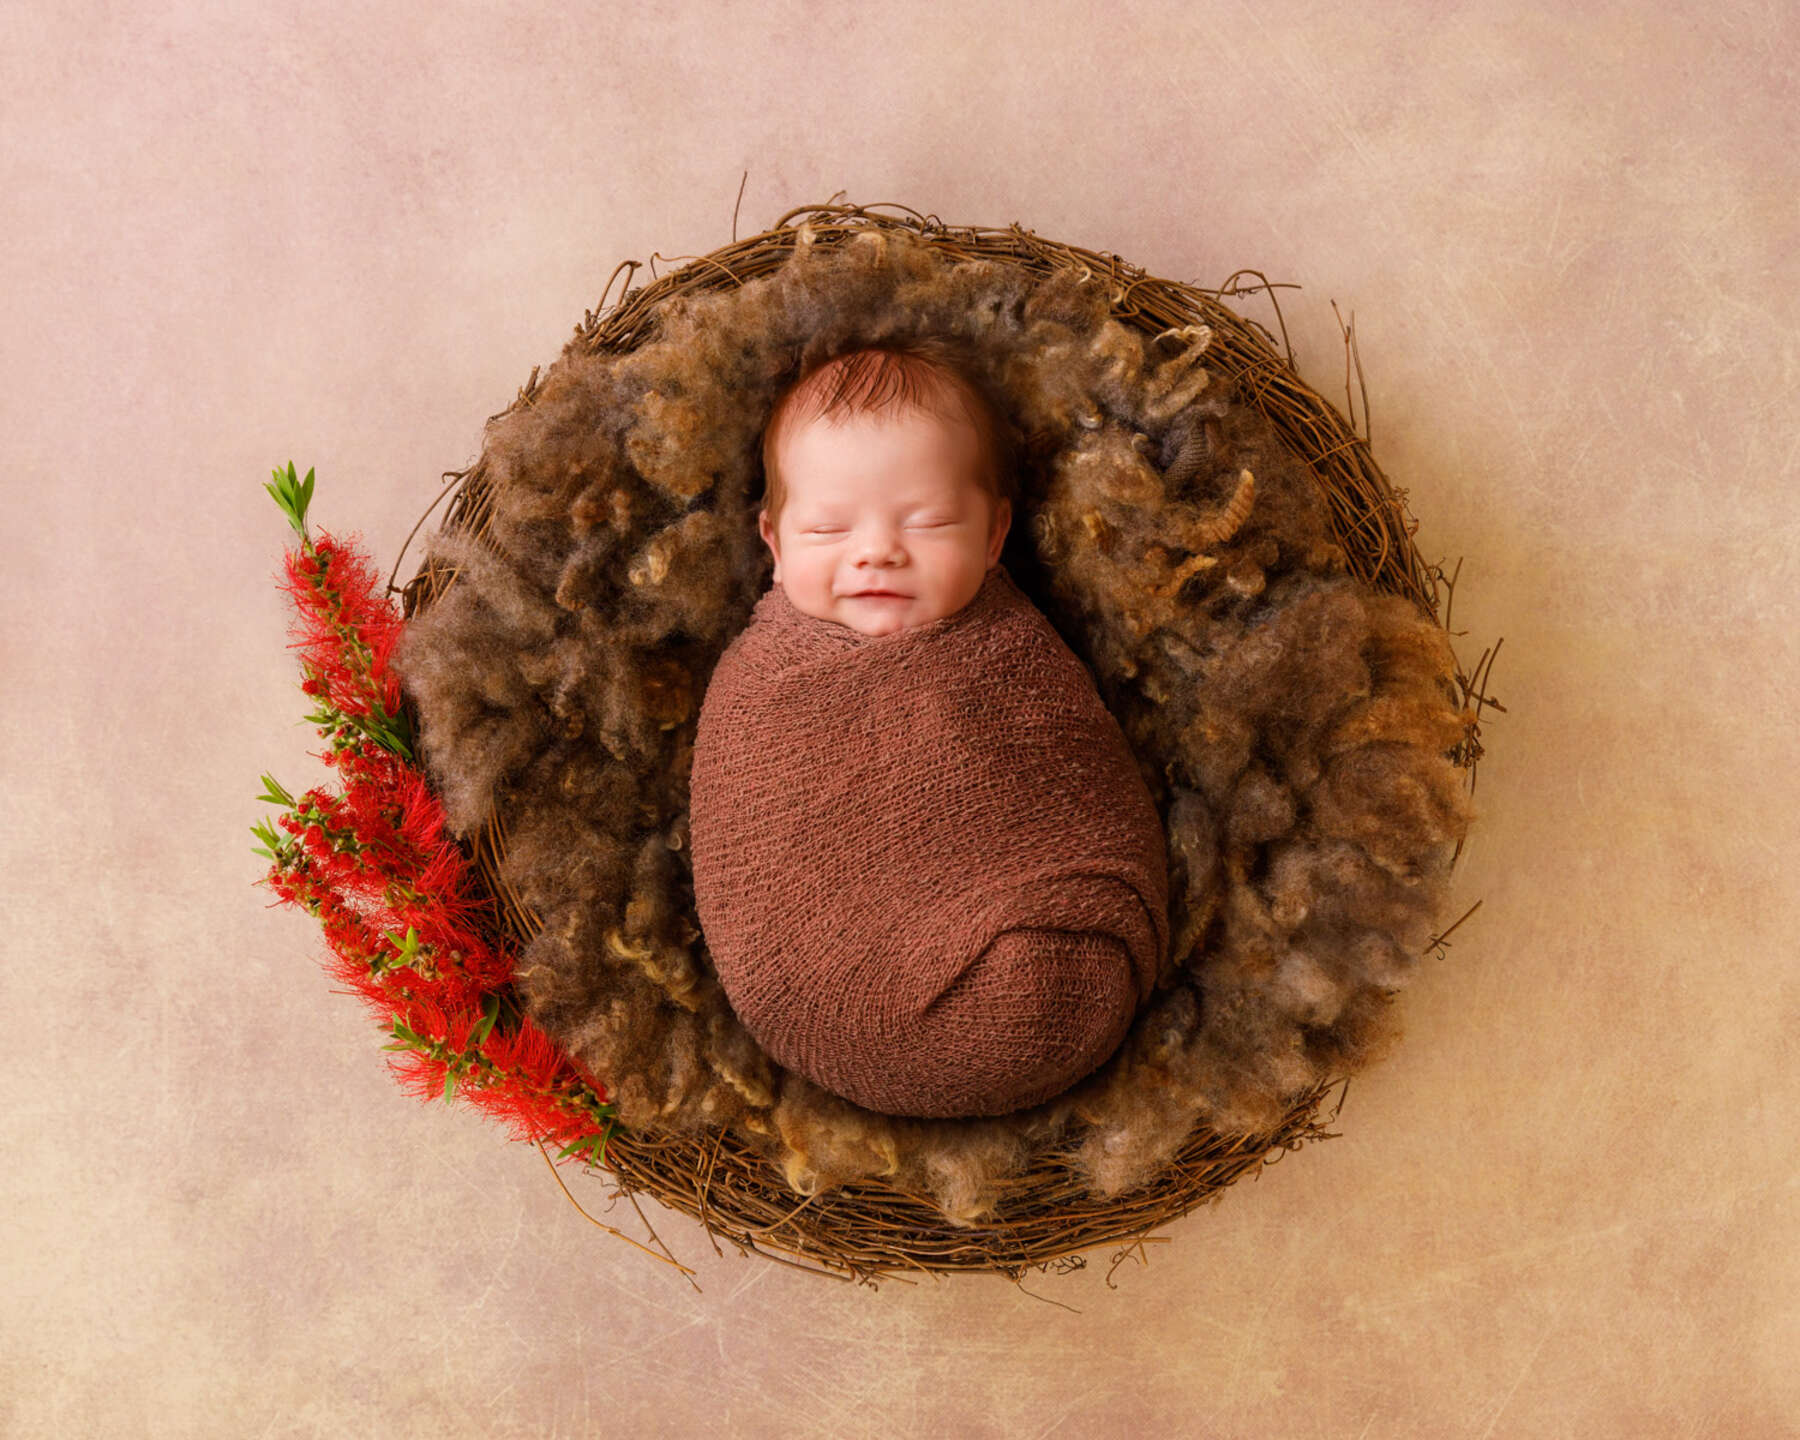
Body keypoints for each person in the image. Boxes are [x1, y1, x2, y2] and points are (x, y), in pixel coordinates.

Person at [756, 339, 1016, 638]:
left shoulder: (1019, 650)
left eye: (928, 523)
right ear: (777, 547)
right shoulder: (759, 658)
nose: (877, 552)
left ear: (993, 535)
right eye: (826, 529)